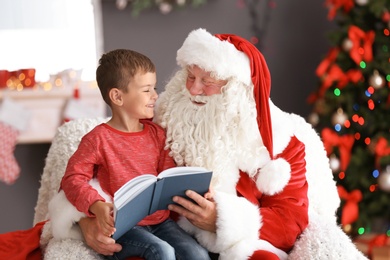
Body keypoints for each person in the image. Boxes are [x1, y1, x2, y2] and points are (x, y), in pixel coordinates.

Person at [75, 29, 365, 260]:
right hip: (157, 234)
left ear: (237, 89)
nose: (193, 89)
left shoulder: (280, 143)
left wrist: (221, 220)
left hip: (240, 249)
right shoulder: (163, 117)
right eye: (190, 76)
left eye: (208, 82)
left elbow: (290, 222)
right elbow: (102, 168)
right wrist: (86, 221)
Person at [49, 49, 210, 260]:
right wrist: (96, 205)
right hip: (123, 226)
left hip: (161, 223)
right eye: (146, 90)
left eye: (154, 88)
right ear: (117, 96)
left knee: (197, 253)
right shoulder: (97, 139)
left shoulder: (157, 134)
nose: (155, 96)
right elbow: (72, 179)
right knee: (162, 252)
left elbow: (169, 175)